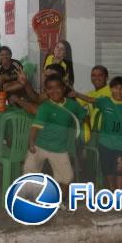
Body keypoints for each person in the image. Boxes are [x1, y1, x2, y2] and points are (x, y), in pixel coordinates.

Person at [23, 74, 88, 207]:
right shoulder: (45, 107)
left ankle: (58, 201)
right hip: (39, 146)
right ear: (46, 91)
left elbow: (83, 115)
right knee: (29, 170)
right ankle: (32, 201)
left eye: (57, 88)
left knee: (67, 177)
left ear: (64, 88)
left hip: (59, 148)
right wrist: (31, 143)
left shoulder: (72, 105)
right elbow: (35, 127)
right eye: (50, 89)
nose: (54, 91)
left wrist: (82, 128)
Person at [74, 76, 122, 190]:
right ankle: (112, 189)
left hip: (120, 145)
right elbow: (90, 99)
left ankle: (118, 192)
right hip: (105, 144)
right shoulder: (105, 101)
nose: (119, 91)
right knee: (108, 170)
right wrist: (77, 94)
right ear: (111, 89)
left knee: (119, 169)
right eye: (116, 88)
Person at [69, 54, 122, 143]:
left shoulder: (111, 89)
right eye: (93, 75)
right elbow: (73, 105)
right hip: (95, 137)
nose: (96, 78)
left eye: (100, 75)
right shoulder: (90, 94)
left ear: (106, 77)